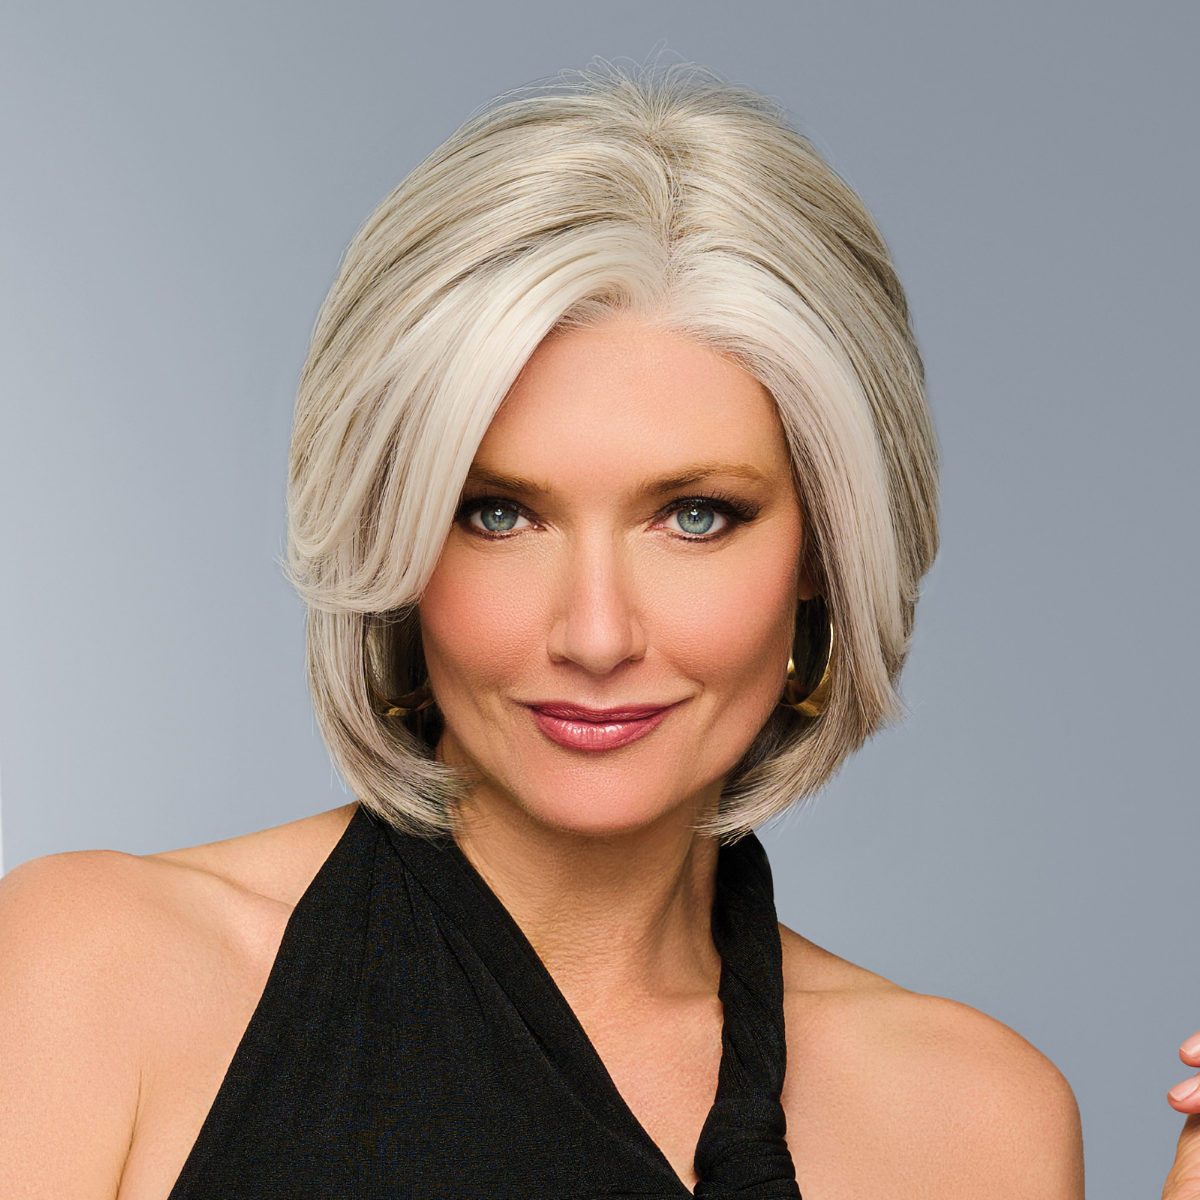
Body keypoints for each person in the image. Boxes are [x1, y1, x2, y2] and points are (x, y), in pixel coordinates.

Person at [0, 64, 1188, 1199]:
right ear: (393, 540)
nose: (597, 632)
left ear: (826, 556)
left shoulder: (973, 1120)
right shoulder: (96, 977)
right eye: (498, 513)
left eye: (696, 515)